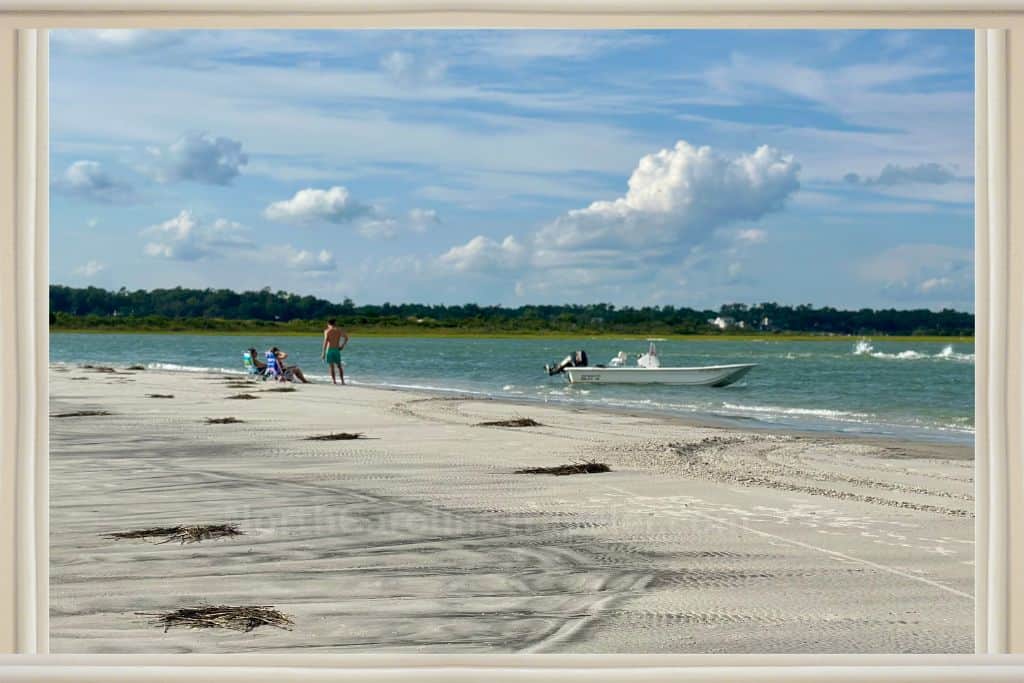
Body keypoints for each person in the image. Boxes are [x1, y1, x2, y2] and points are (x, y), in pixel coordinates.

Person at [321, 318, 350, 385]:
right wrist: (342, 346)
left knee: (331, 367)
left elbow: (325, 342)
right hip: (336, 350)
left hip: (329, 350)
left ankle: (334, 381)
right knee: (339, 366)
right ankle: (342, 381)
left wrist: (323, 352)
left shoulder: (327, 331)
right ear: (334, 323)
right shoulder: (339, 330)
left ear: (328, 324)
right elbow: (346, 337)